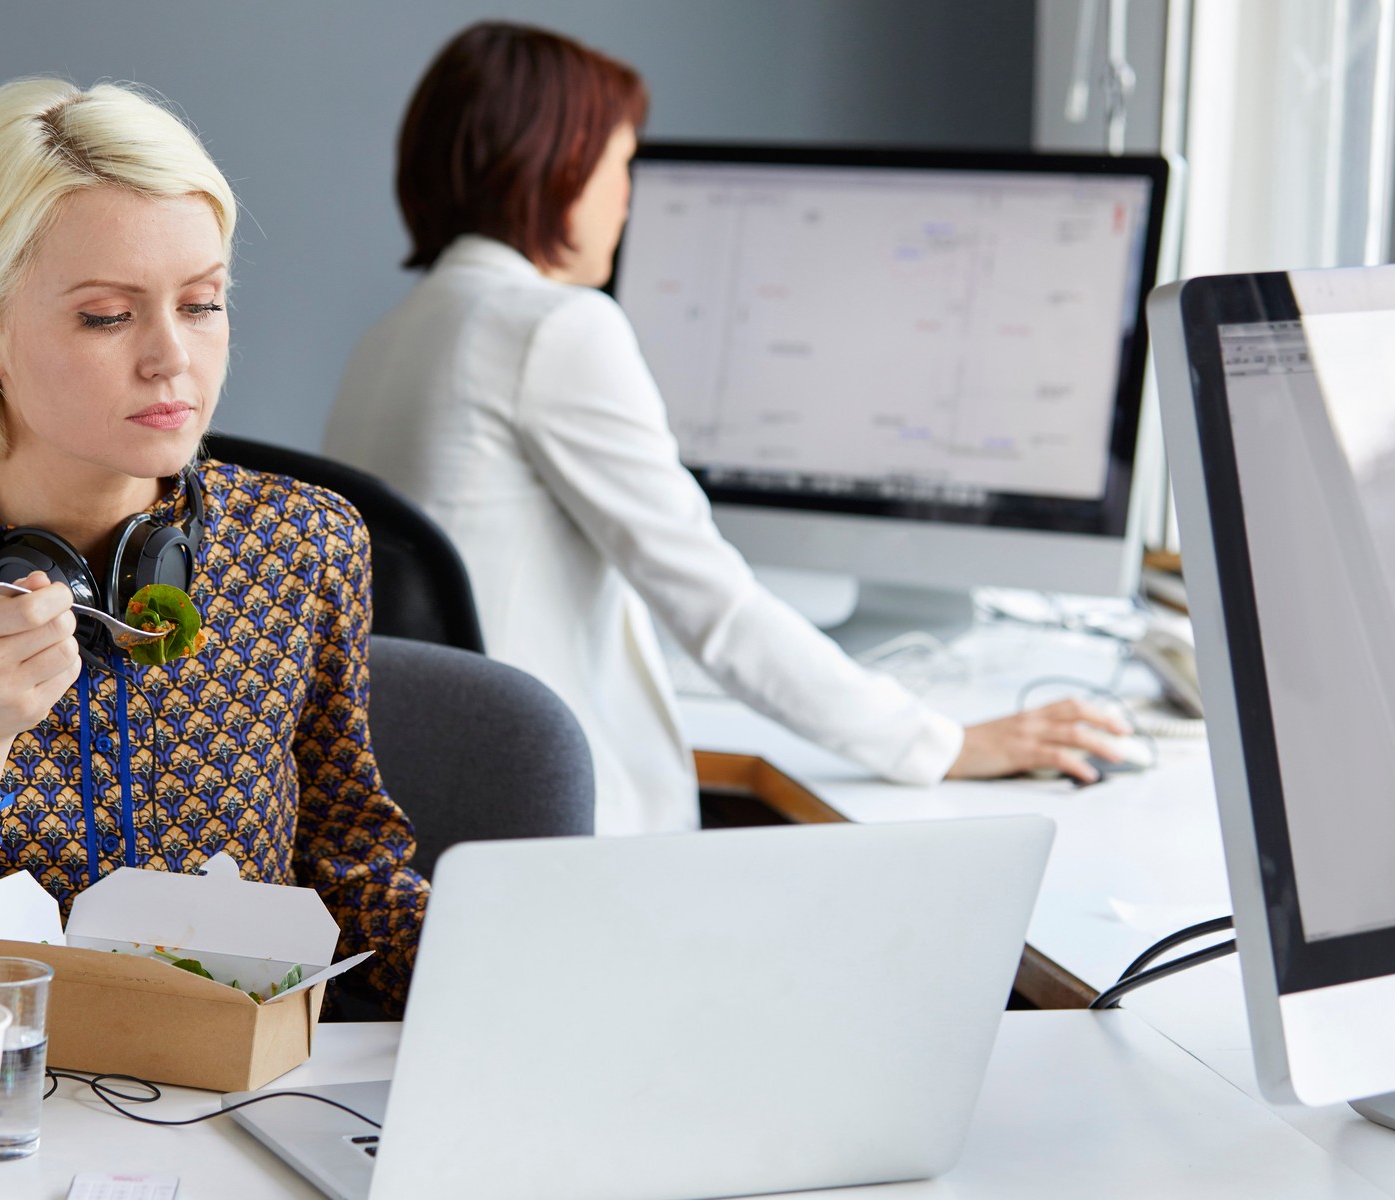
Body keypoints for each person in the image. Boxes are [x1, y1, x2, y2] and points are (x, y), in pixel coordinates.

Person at [325, 22, 1130, 835]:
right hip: (561, 830)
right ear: (557, 166)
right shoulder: (555, 327)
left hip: (442, 817)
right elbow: (714, 606)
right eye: (621, 166)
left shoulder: (390, 338)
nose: (627, 198)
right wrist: (940, 743)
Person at [0, 78, 425, 1026]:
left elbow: (358, 871)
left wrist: (507, 971)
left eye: (202, 304)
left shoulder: (305, 544)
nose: (172, 359)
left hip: (232, 1103)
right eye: (108, 316)